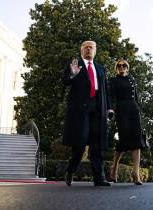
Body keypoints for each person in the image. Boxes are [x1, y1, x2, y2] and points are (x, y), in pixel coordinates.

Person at [62, 41, 113, 187]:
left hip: (97, 108)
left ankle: (99, 178)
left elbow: (105, 90)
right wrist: (72, 75)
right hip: (80, 109)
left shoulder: (100, 68)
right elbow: (65, 80)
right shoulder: (75, 64)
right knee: (80, 144)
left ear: (95, 50)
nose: (89, 49)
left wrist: (109, 108)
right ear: (81, 50)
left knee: (97, 145)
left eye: (91, 47)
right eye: (86, 47)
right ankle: (70, 171)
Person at [108, 59, 144, 185]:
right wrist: (110, 109)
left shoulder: (132, 80)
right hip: (121, 110)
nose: (121, 67)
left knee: (137, 139)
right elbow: (111, 96)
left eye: (124, 65)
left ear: (127, 68)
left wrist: (139, 109)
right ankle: (114, 168)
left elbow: (137, 97)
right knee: (123, 140)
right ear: (116, 68)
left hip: (134, 110)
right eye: (119, 65)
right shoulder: (113, 81)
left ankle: (136, 172)